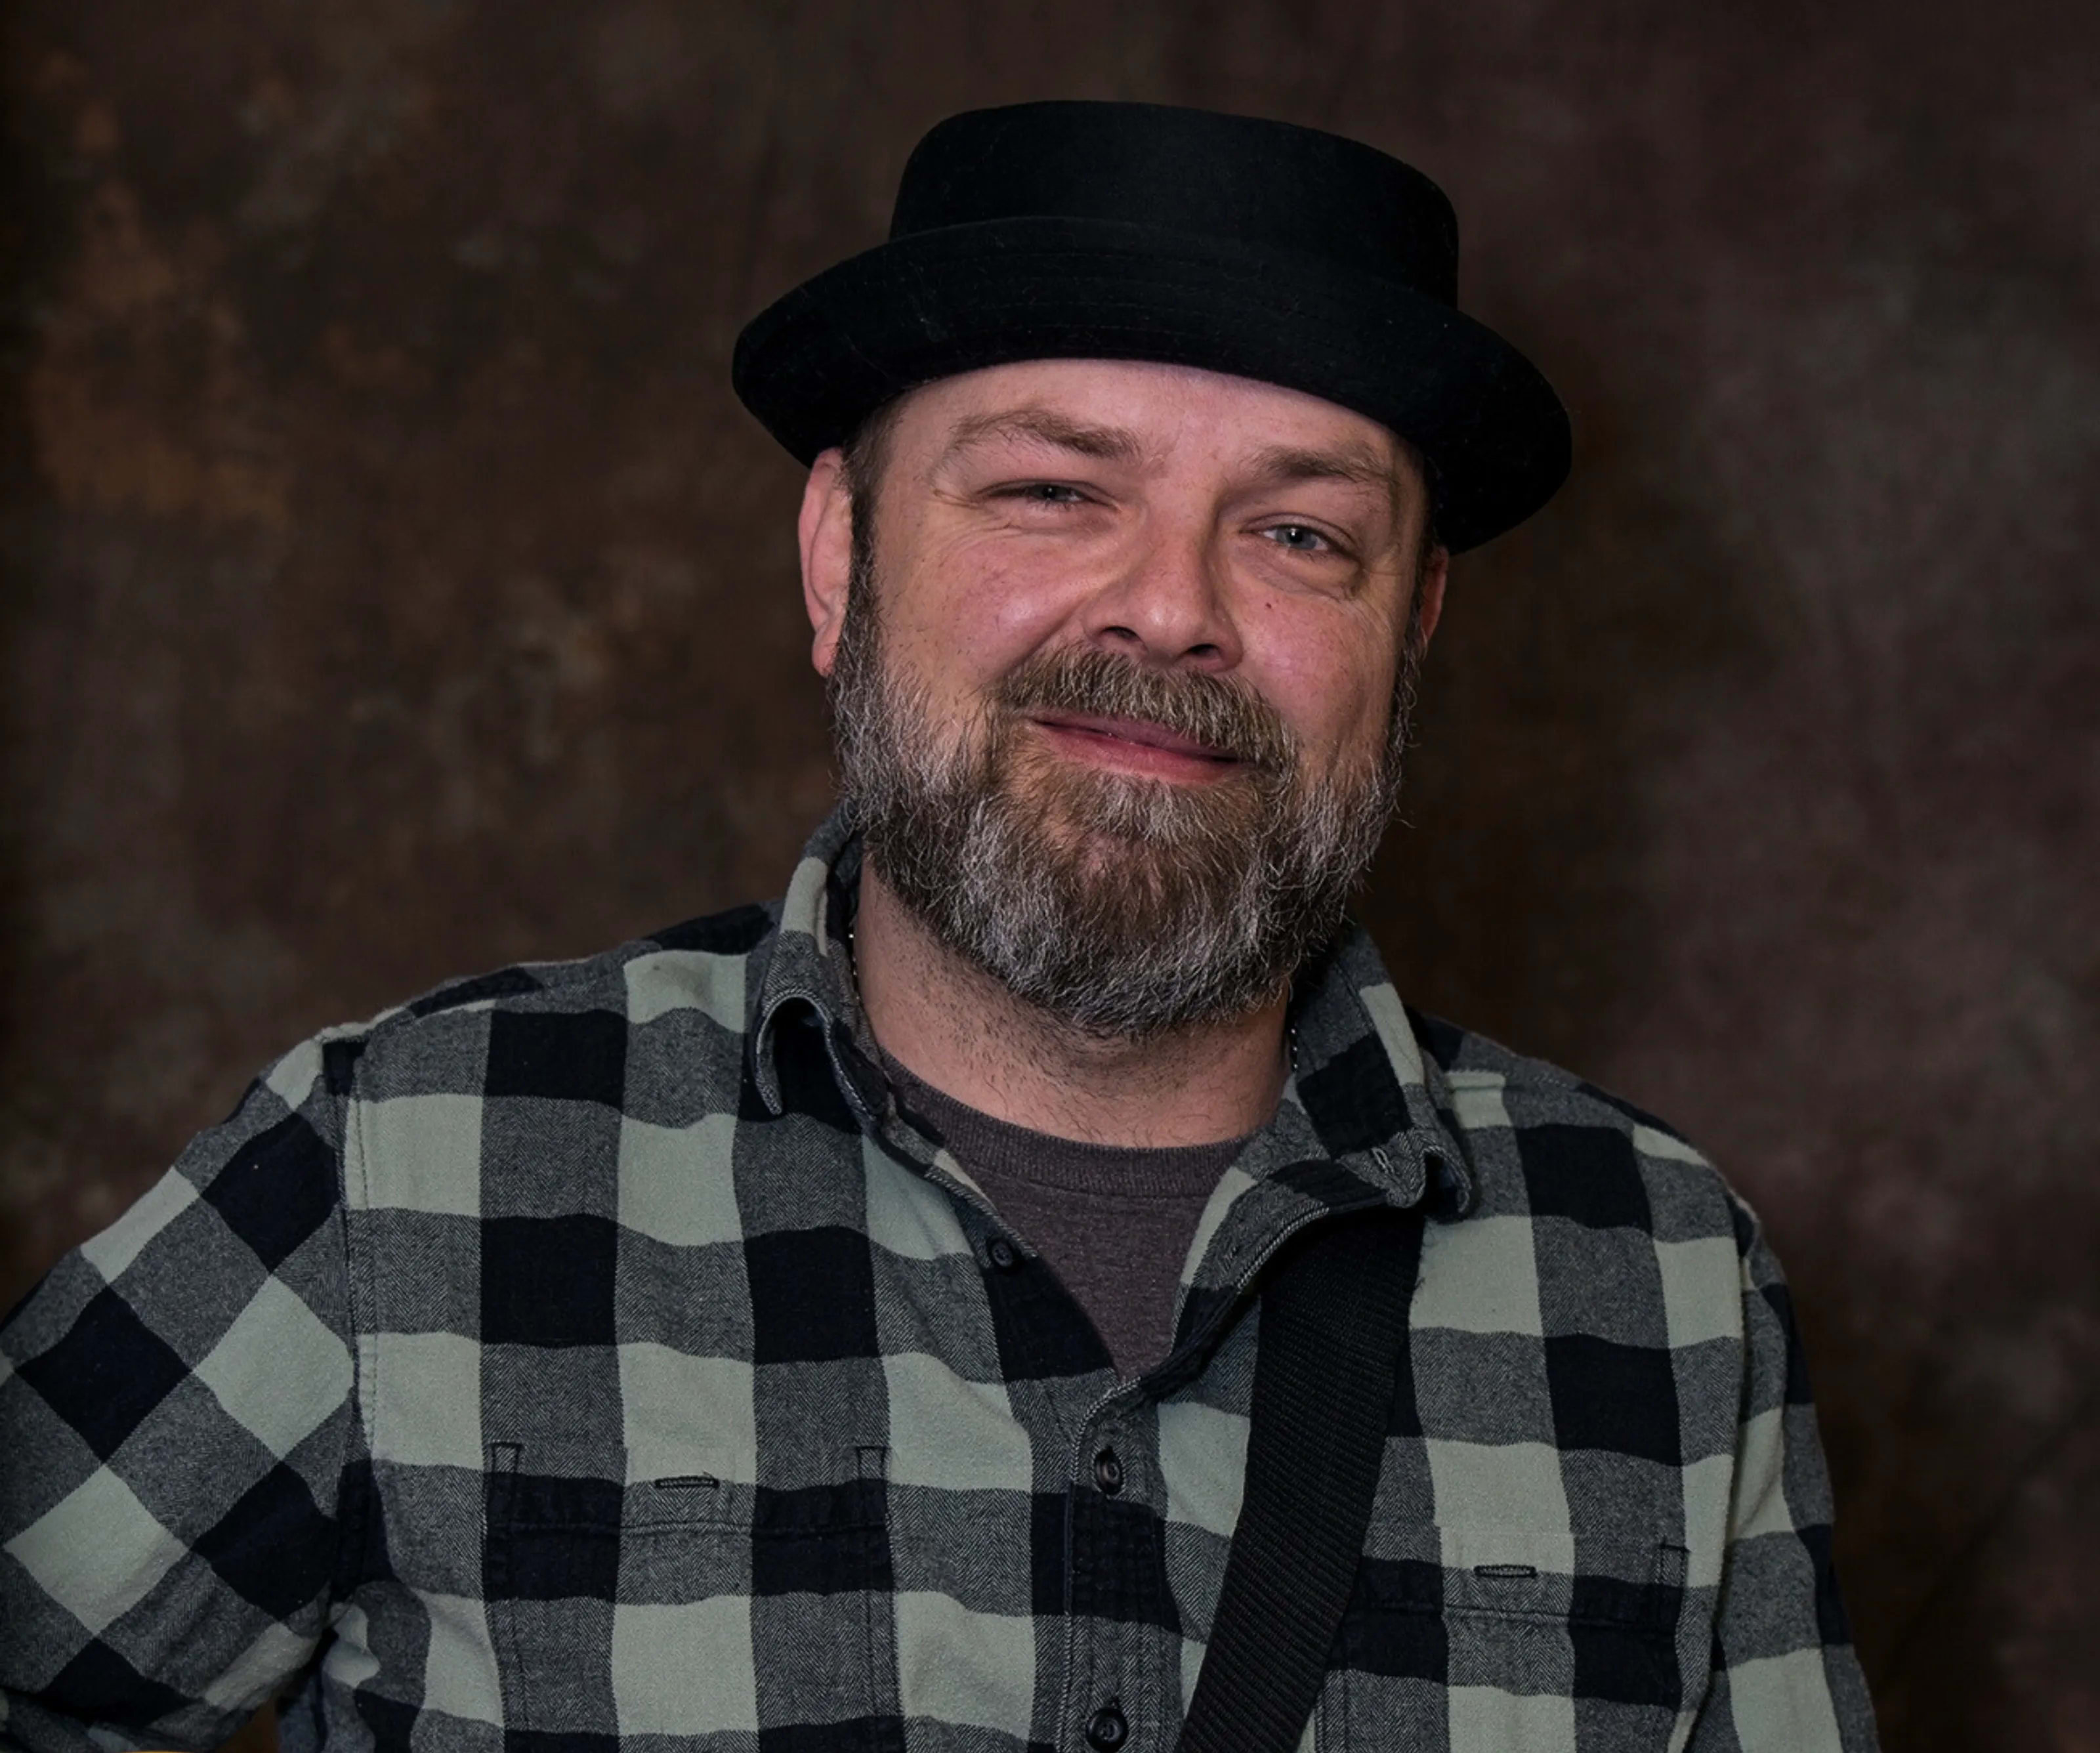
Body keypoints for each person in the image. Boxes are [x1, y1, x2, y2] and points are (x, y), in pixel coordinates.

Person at [0, 101, 1876, 1752]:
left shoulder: (1662, 1285)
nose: (1171, 610)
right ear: (841, 557)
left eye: (1301, 534)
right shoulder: (401, 1173)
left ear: (1414, 630)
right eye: (1055, 491)